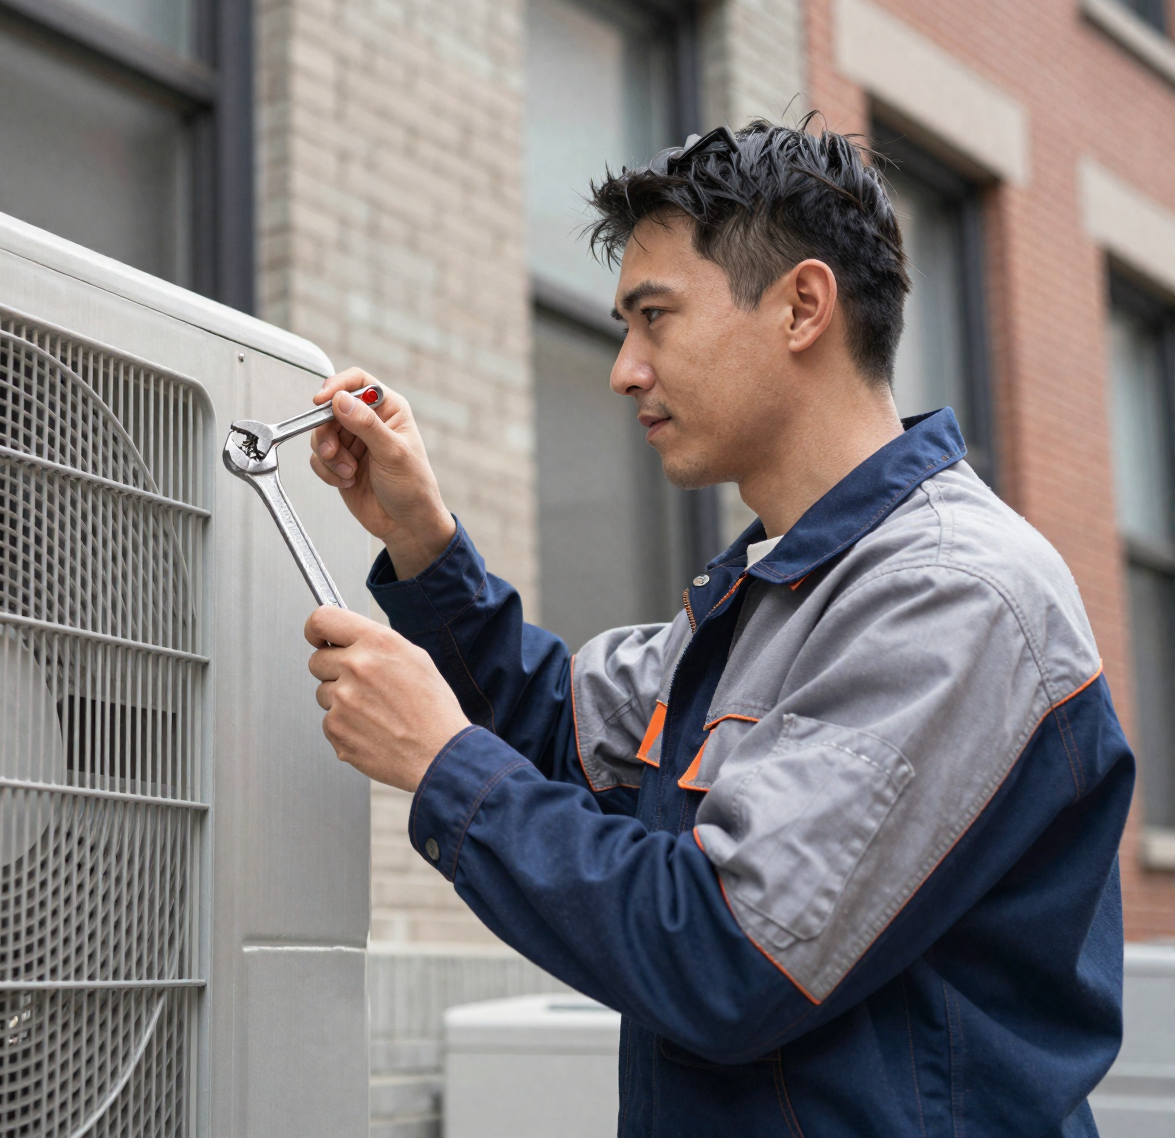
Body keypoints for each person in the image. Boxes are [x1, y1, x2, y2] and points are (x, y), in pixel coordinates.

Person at [301, 121, 1132, 1136]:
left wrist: (441, 760)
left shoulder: (954, 596)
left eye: (655, 317)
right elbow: (562, 735)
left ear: (802, 306)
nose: (623, 369)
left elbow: (730, 955)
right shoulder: (770, 591)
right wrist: (427, 550)